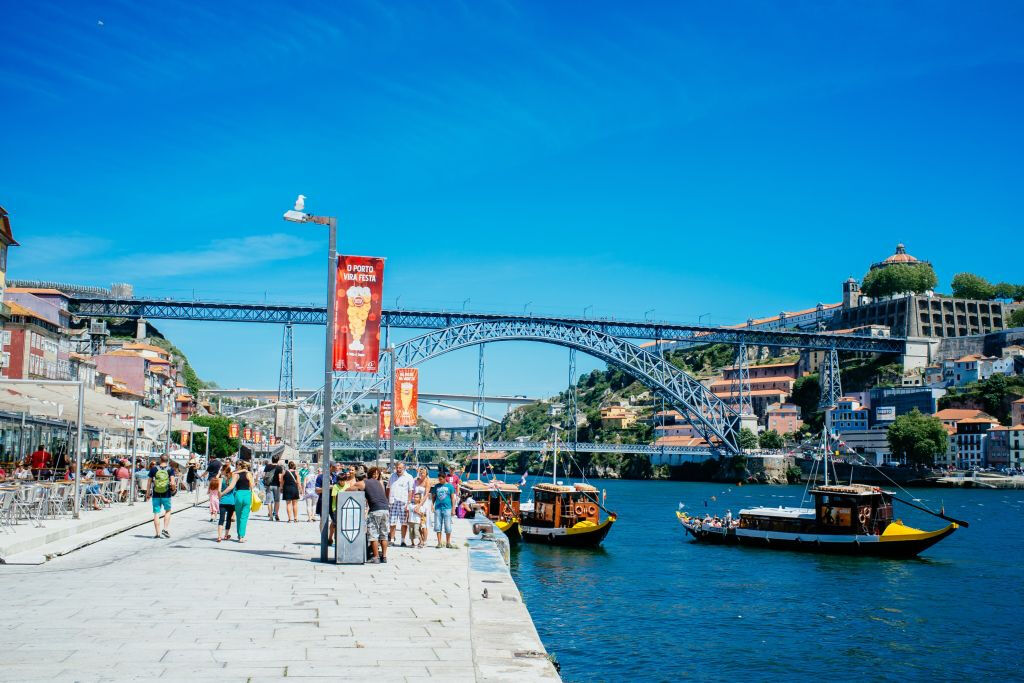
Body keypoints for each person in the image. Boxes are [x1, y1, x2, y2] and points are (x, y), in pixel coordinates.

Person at [220, 460, 255, 543]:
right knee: (244, 517)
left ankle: (239, 535)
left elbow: (231, 487)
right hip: (247, 494)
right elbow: (252, 485)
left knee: (238, 516)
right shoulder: (248, 474)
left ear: (237, 466)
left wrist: (222, 494)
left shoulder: (236, 474)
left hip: (238, 495)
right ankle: (242, 536)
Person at [363, 466, 390, 563]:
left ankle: (376, 557)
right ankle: (384, 557)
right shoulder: (380, 484)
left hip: (375, 510)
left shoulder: (368, 482)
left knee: (373, 533)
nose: (375, 475)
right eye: (374, 474)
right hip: (385, 509)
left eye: (377, 474)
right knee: (384, 534)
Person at [147, 455, 176, 539]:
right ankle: (165, 529)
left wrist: (148, 493)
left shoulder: (154, 469)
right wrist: (173, 490)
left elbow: (149, 482)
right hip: (166, 494)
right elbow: (173, 483)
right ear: (167, 461)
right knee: (168, 511)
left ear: (160, 460)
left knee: (156, 513)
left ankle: (157, 533)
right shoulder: (170, 469)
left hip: (156, 493)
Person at [386, 461, 415, 546]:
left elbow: (410, 491)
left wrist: (408, 503)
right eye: (397, 468)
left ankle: (403, 540)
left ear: (404, 468)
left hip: (403, 502)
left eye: (400, 468)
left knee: (404, 523)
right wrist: (387, 500)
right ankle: (392, 539)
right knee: (392, 522)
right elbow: (388, 488)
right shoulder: (392, 476)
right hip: (393, 501)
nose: (398, 469)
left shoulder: (409, 477)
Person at [431, 470, 457, 549]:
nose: (440, 480)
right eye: (439, 479)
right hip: (438, 508)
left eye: (441, 479)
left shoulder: (450, 486)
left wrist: (453, 508)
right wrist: (432, 505)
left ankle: (448, 543)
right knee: (438, 525)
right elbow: (433, 497)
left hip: (447, 508)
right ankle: (439, 542)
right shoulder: (436, 486)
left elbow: (453, 498)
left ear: (445, 478)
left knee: (448, 526)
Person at [216, 463, 235, 542]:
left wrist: (220, 497)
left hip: (223, 501)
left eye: (221, 470)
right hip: (231, 501)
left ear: (224, 471)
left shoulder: (221, 479)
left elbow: (219, 491)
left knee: (221, 519)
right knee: (228, 519)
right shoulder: (233, 479)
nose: (220, 471)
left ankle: (219, 537)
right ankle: (226, 535)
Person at [262, 454, 284, 521]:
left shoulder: (267, 466)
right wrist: (281, 486)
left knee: (269, 501)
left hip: (269, 485)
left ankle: (271, 516)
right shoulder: (279, 467)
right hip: (276, 486)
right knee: (277, 500)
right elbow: (280, 478)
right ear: (278, 460)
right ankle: (276, 514)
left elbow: (263, 475)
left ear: (272, 459)